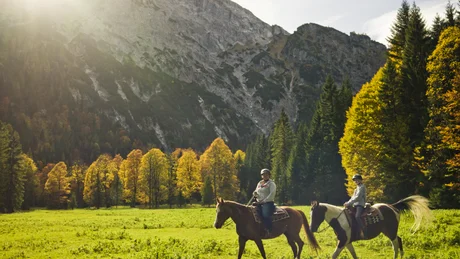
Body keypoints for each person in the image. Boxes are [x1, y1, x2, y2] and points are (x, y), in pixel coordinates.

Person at [253, 168, 276, 235]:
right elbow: (256, 191)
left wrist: (264, 201)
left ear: (269, 175)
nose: (264, 176)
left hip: (268, 203)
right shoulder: (260, 183)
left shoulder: (271, 184)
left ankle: (269, 229)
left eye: (266, 174)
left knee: (265, 215)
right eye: (263, 175)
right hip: (258, 202)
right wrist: (255, 194)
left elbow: (272, 194)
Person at [344, 174, 367, 238]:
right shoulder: (357, 188)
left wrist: (349, 203)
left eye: (357, 180)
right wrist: (348, 203)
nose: (356, 181)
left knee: (357, 216)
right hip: (355, 204)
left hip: (360, 204)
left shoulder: (362, 187)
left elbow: (358, 197)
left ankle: (363, 230)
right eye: (355, 180)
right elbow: (352, 197)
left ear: (360, 180)